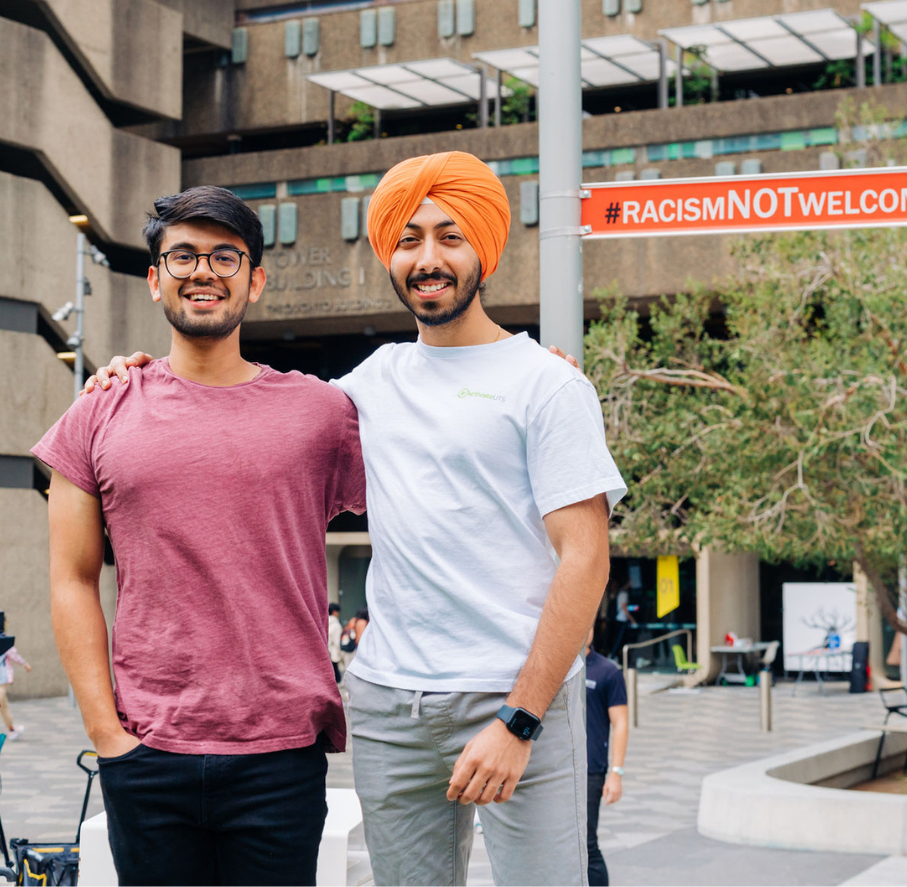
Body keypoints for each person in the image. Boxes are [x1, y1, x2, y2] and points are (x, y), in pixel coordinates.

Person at [83, 151, 626, 887]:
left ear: (486, 250)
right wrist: (137, 378)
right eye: (408, 240)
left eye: (449, 236)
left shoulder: (548, 385)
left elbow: (585, 561)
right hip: (387, 708)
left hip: (514, 699)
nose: (427, 258)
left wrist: (520, 719)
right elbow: (246, 415)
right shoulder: (366, 387)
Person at [32, 187, 366, 887]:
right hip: (146, 752)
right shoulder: (98, 413)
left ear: (256, 279)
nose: (202, 270)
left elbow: (439, 476)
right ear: (155, 280)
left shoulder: (322, 413)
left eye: (224, 255)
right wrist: (107, 737)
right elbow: (69, 578)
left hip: (281, 754)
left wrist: (530, 372)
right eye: (181, 255)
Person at [584, 627, 628, 887]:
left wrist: (616, 773)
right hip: (556, 769)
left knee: (587, 844)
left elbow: (620, 723)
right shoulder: (557, 668)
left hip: (591, 771)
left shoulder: (607, 672)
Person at [0, 618, 31, 743]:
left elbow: (13, 655)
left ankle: (12, 730)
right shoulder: (3, 640)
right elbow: (13, 654)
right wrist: (25, 664)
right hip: (2, 679)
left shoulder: (3, 640)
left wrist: (24, 664)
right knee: (3, 706)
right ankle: (12, 730)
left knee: (3, 705)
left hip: (2, 680)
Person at [609, 580, 636, 662]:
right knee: (619, 640)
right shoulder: (623, 594)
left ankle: (616, 657)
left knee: (621, 640)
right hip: (621, 620)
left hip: (620, 619)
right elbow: (624, 609)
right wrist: (632, 620)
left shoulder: (620, 593)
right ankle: (612, 657)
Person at [328, 603, 344, 682]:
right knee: (336, 678)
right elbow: (337, 642)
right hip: (333, 654)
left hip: (325, 652)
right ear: (335, 612)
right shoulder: (336, 625)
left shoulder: (324, 621)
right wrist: (341, 655)